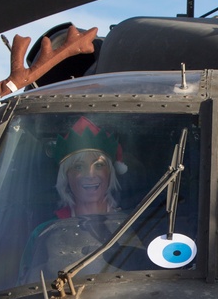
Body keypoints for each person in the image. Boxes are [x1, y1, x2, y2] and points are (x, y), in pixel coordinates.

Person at [21, 117, 137, 281]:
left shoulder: (137, 225)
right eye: (78, 167)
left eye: (98, 165)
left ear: (110, 173)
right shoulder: (43, 234)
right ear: (66, 177)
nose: (89, 175)